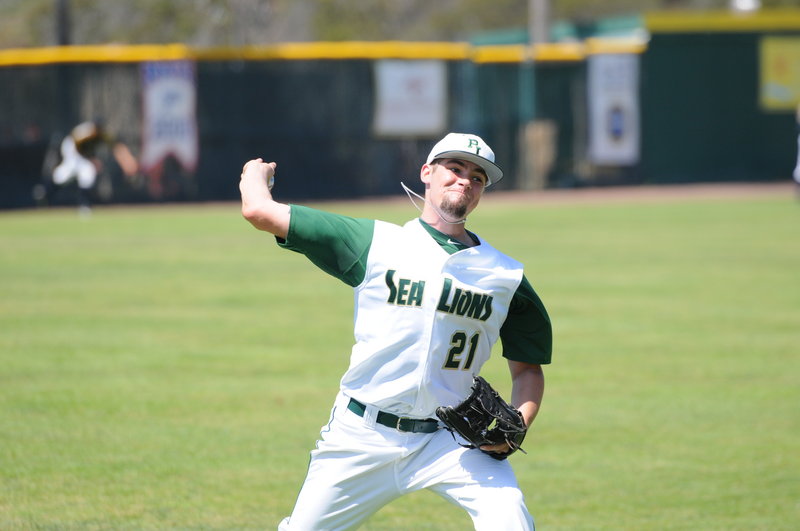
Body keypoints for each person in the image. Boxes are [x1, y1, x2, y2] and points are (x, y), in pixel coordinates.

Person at [239, 132, 552, 530]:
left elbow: (528, 369)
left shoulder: (505, 276)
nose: (465, 181)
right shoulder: (375, 243)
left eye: (477, 177)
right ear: (427, 173)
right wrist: (254, 173)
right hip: (362, 434)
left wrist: (519, 423)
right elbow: (258, 211)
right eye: (455, 169)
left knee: (511, 522)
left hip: (450, 439)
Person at [39, 120, 138, 213]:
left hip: (82, 155)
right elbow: (77, 148)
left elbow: (115, 145)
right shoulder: (85, 133)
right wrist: (92, 160)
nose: (98, 130)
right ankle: (45, 192)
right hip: (72, 150)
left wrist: (127, 162)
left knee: (86, 174)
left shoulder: (101, 134)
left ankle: (84, 204)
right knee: (65, 175)